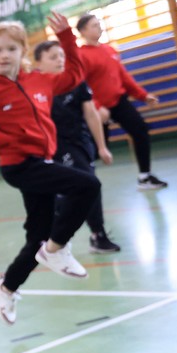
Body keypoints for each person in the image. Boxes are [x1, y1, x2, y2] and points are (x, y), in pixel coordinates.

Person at [0, 13, 100, 324]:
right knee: (88, 185)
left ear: (23, 51)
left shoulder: (39, 80)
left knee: (37, 236)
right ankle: (56, 249)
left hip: (42, 162)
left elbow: (75, 75)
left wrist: (67, 38)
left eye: (11, 49)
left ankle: (7, 287)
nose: (4, 55)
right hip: (19, 166)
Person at [33, 40, 121, 254]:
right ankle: (94, 234)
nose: (59, 60)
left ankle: (60, 236)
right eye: (53, 57)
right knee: (88, 185)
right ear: (38, 64)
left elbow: (91, 114)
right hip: (57, 147)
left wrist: (101, 147)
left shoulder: (75, 80)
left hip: (82, 143)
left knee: (79, 189)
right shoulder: (36, 88)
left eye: (61, 56)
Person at [75, 14, 166, 189]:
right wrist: (96, 107)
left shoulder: (109, 50)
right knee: (94, 151)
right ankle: (74, 183)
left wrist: (143, 95)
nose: (99, 27)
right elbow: (81, 86)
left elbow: (123, 77)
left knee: (140, 130)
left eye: (99, 24)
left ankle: (145, 177)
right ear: (83, 31)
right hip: (98, 109)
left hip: (118, 102)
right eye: (94, 25)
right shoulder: (81, 55)